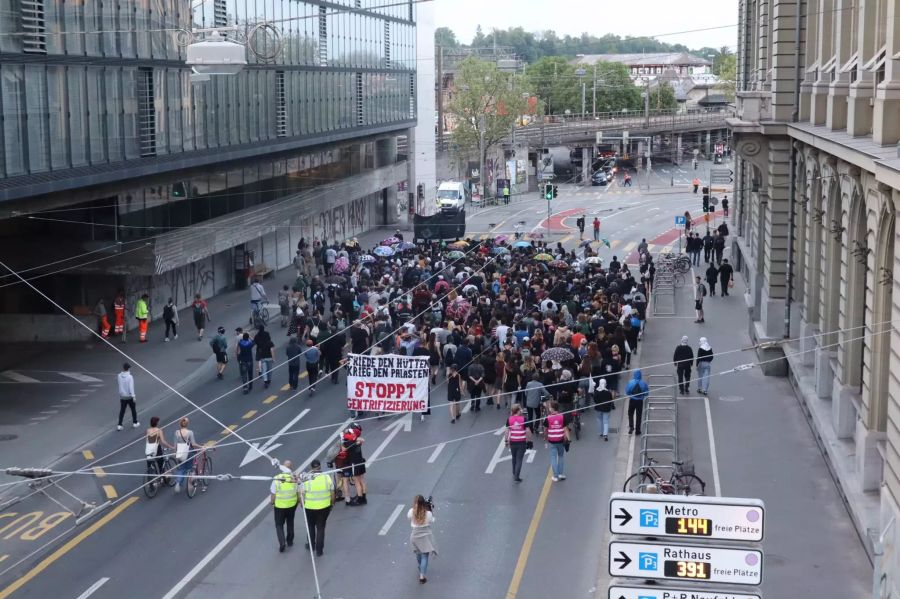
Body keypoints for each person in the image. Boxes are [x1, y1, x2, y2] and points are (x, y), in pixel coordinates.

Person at [301, 459, 334, 556]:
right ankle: (319, 550)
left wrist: (302, 504)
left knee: (310, 526)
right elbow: (332, 492)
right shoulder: (326, 477)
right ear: (320, 467)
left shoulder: (306, 478)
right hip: (324, 507)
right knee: (320, 528)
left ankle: (311, 545)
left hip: (309, 508)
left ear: (312, 468)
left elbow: (301, 494)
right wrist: (332, 504)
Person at [270, 460, 300, 553]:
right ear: (291, 468)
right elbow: (299, 492)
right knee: (290, 522)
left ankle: (282, 542)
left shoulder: (277, 479)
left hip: (279, 506)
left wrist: (272, 502)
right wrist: (298, 501)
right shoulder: (295, 479)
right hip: (292, 505)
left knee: (279, 524)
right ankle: (290, 541)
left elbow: (273, 494)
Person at [408, 495, 437, 584]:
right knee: (425, 556)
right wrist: (430, 509)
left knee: (418, 553)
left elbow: (409, 517)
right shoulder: (428, 514)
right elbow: (432, 520)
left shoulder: (411, 512)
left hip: (415, 535)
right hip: (425, 535)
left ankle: (421, 567)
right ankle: (422, 576)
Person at [173, 417, 202, 493]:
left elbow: (175, 446)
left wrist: (176, 454)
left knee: (181, 469)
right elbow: (193, 444)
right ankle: (192, 477)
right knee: (191, 467)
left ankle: (178, 483)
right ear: (187, 424)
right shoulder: (190, 432)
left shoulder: (176, 432)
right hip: (189, 452)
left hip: (180, 452)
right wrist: (201, 447)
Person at [340, 425, 367, 505]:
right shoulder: (357, 441)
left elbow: (343, 449)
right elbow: (361, 439)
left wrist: (343, 439)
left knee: (356, 481)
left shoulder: (349, 442)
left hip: (354, 463)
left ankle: (359, 498)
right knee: (362, 480)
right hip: (361, 461)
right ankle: (363, 497)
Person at [505, 404, 530, 482]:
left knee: (514, 457)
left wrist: (506, 441)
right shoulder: (524, 419)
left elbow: (506, 431)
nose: (522, 410)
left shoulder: (509, 419)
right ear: (518, 411)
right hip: (521, 442)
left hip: (513, 442)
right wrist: (529, 441)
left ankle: (514, 472)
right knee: (519, 459)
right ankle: (517, 476)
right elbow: (528, 431)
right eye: (520, 409)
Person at [544, 401, 567, 481]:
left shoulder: (548, 418)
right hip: (560, 440)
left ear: (552, 409)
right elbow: (565, 428)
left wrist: (546, 439)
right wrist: (567, 439)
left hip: (551, 440)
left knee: (553, 457)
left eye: (549, 407)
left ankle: (555, 476)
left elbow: (545, 429)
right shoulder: (562, 416)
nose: (549, 408)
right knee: (561, 456)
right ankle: (560, 474)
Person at [624, 369, 649, 435]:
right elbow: (646, 393)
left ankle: (631, 426)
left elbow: (627, 392)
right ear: (640, 375)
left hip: (632, 400)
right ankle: (637, 430)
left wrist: (631, 395)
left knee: (630, 413)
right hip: (640, 401)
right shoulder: (643, 383)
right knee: (639, 415)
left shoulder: (631, 382)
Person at [116, 363, 138, 431]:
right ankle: (135, 422)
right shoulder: (130, 377)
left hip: (122, 396)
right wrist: (133, 396)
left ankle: (119, 424)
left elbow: (120, 385)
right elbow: (131, 387)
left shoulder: (119, 376)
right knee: (133, 409)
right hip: (129, 396)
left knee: (122, 411)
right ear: (128, 368)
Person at [593, 376, 614, 441]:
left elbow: (595, 400)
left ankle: (600, 432)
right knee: (606, 421)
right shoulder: (608, 392)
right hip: (606, 409)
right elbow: (611, 400)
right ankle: (605, 434)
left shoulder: (596, 391)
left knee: (599, 420)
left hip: (598, 408)